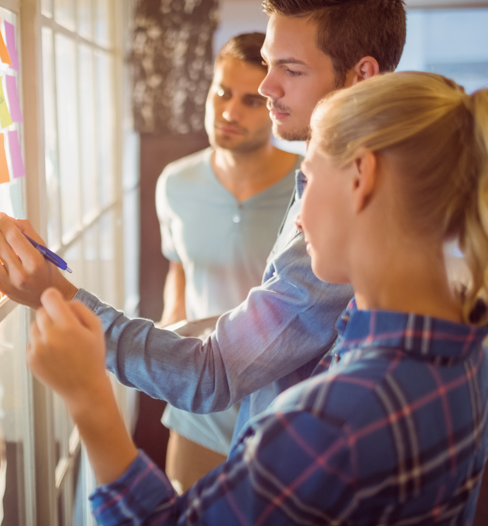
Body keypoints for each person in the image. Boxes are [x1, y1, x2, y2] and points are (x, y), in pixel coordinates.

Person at [28, 72, 488, 524]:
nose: (299, 219)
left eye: (305, 181)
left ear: (360, 177)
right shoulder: (468, 349)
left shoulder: (332, 422)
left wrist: (87, 396)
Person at [0, 0, 405, 441]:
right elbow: (265, 321)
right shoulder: (321, 174)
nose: (266, 88)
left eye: (291, 69)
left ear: (361, 75)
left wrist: (55, 296)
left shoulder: (353, 204)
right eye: (269, 64)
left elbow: (214, 374)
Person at [156, 32, 298, 489]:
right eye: (221, 92)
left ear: (275, 104)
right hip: (198, 397)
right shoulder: (174, 183)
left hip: (279, 405)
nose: (229, 112)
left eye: (251, 101)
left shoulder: (309, 187)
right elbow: (179, 266)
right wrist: (170, 323)